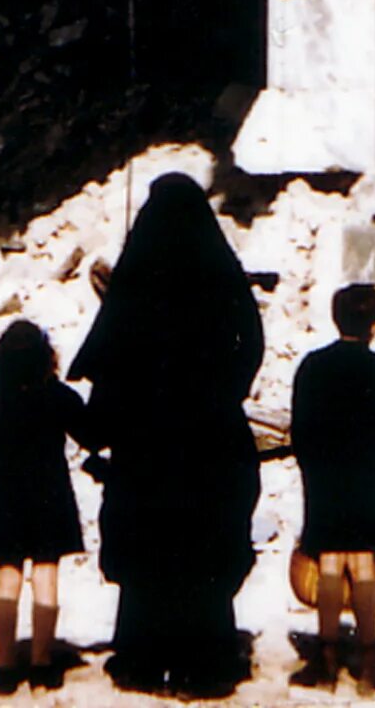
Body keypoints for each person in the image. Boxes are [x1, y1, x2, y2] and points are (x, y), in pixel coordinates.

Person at [70, 171, 264, 696]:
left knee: (149, 552)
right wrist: (222, 393)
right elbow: (250, 346)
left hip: (146, 445)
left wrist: (103, 427)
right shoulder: (223, 280)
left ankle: (142, 659)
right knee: (205, 549)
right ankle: (205, 663)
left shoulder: (135, 284)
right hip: (211, 438)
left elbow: (110, 364)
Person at [287, 283, 375, 691]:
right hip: (368, 474)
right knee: (364, 558)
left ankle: (327, 655)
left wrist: (315, 465)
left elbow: (299, 429)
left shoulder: (313, 366)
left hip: (324, 474)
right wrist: (373, 464)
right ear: (374, 323)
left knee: (330, 559)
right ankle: (369, 660)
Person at [0, 318, 98, 692]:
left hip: (6, 501)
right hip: (50, 497)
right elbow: (90, 432)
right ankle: (42, 663)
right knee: (46, 574)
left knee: (7, 576)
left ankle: (5, 664)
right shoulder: (56, 396)